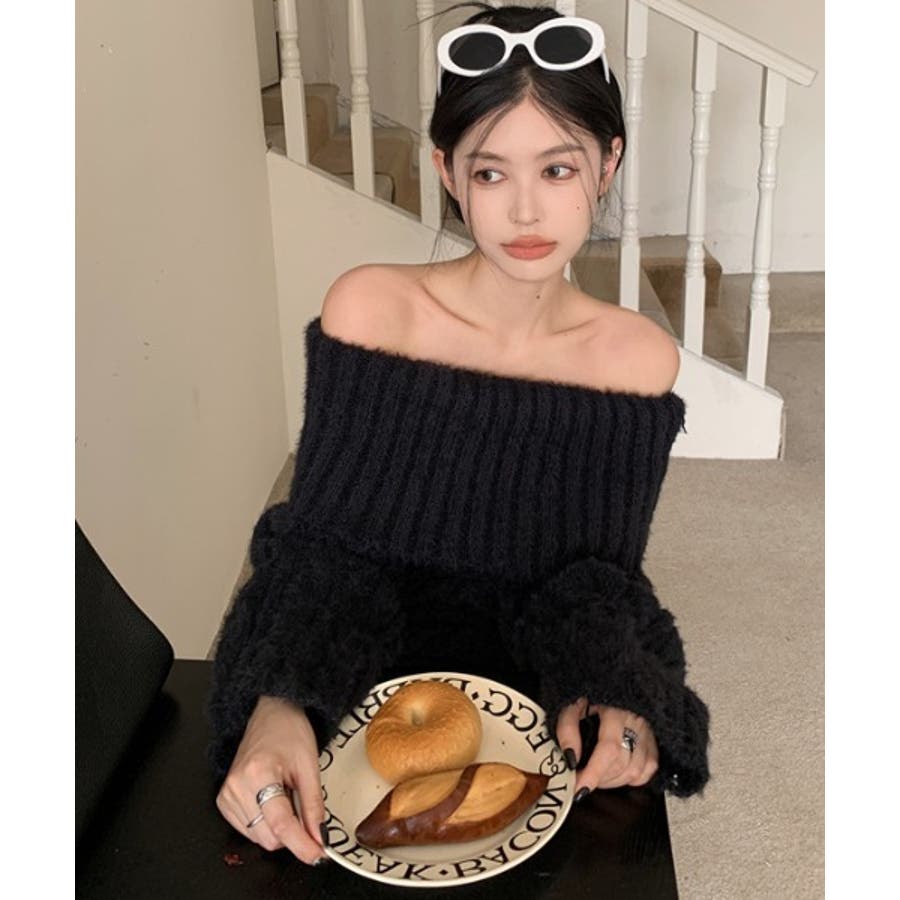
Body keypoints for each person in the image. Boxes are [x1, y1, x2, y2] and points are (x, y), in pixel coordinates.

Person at [208, 2, 710, 867]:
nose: (526, 210)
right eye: (490, 172)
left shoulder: (635, 362)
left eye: (557, 168)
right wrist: (281, 698)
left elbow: (596, 581)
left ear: (608, 163)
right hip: (352, 687)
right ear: (447, 170)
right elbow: (324, 550)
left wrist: (618, 693)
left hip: (528, 718)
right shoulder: (373, 311)